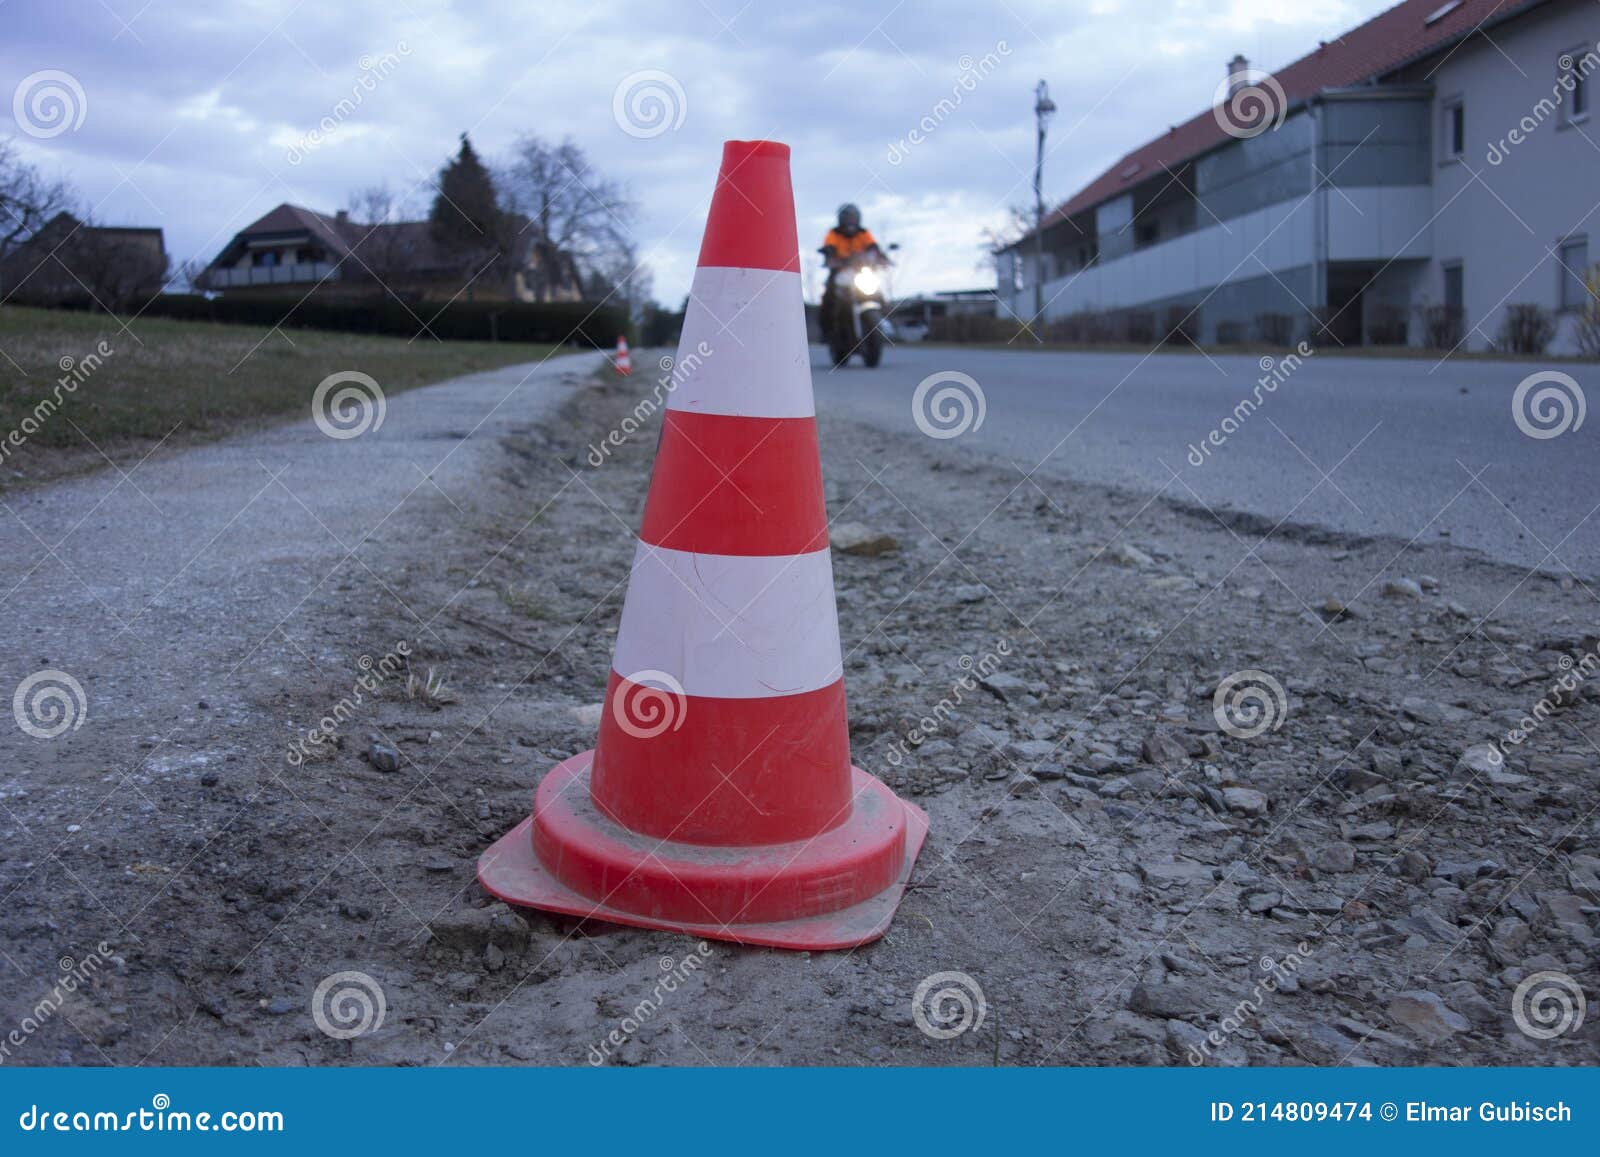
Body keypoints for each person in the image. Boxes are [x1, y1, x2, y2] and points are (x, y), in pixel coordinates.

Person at [819, 203, 883, 342]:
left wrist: (881, 257)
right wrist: (829, 255)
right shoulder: (834, 233)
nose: (850, 221)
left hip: (860, 272)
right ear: (841, 219)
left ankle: (884, 322)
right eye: (847, 218)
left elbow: (873, 246)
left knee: (878, 293)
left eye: (853, 218)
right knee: (828, 296)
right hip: (840, 272)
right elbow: (829, 246)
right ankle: (828, 331)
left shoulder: (863, 233)